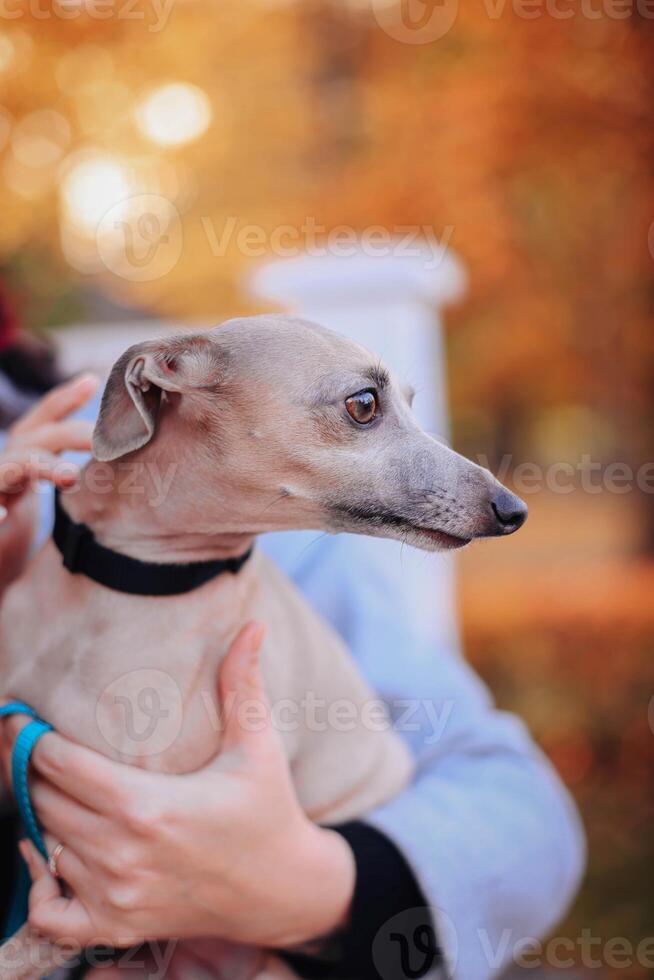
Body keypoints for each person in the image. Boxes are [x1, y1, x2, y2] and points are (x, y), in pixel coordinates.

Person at [0, 339, 586, 980]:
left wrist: (302, 892)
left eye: (372, 407)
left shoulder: (285, 540)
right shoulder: (48, 526)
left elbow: (529, 820)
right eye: (364, 409)